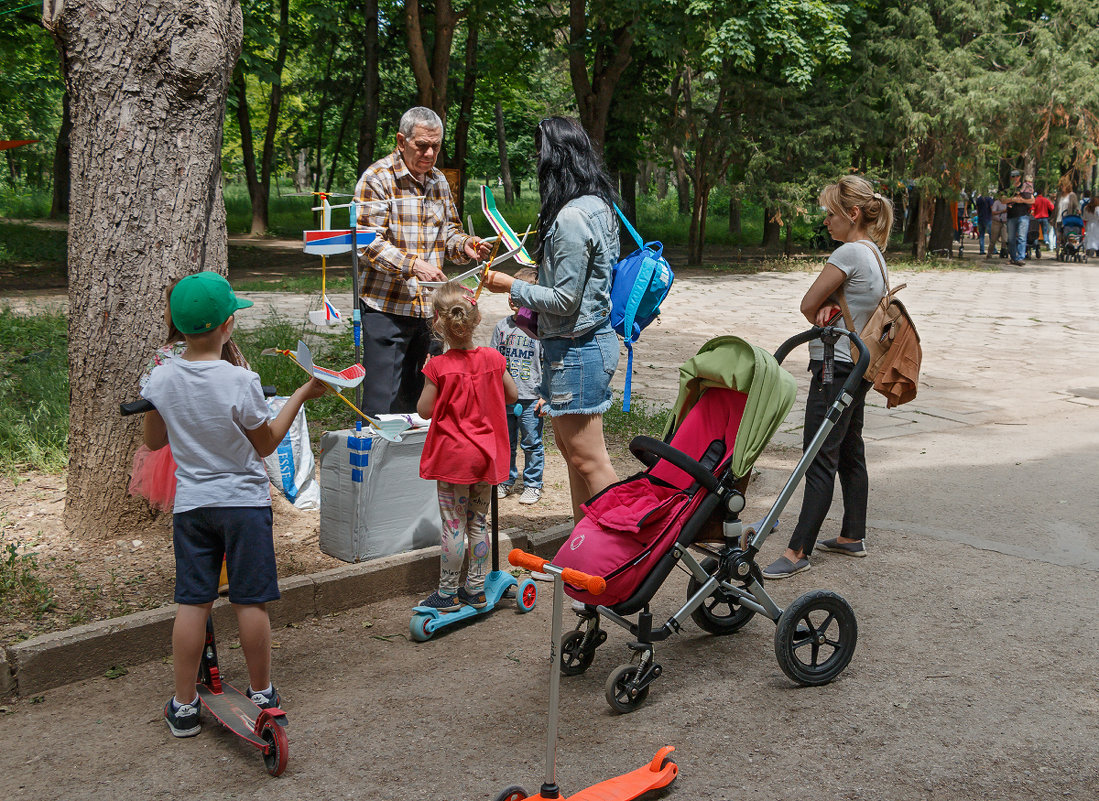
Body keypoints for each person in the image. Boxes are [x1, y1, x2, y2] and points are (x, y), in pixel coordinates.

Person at [141, 272, 327, 737]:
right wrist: (303, 393)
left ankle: (184, 705)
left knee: (192, 601)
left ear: (178, 326)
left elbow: (153, 439)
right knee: (250, 599)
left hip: (192, 506)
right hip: (243, 504)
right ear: (228, 325)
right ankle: (262, 692)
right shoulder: (241, 380)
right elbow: (266, 445)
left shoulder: (160, 378)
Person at [482, 116, 621, 523]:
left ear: (557, 157)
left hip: (578, 350)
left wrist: (511, 285)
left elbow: (563, 299)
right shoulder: (597, 205)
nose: (536, 160)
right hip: (577, 347)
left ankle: (626, 551)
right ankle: (586, 544)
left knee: (590, 460)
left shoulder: (574, 217)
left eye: (540, 150)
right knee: (574, 455)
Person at [762, 176, 892, 579]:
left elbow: (807, 304)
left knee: (819, 455)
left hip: (833, 368)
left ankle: (798, 549)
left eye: (831, 214)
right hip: (858, 366)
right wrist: (832, 303)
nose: (826, 222)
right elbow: (835, 304)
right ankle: (853, 534)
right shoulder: (874, 252)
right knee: (850, 448)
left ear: (852, 214)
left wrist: (825, 304)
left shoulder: (849, 253)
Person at [353, 106, 491, 415]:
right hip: (386, 308)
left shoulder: (439, 181)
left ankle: (413, 463)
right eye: (421, 145)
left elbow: (449, 234)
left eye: (436, 146)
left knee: (421, 403)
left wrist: (467, 245)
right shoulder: (376, 179)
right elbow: (365, 242)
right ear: (401, 141)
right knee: (381, 403)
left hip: (430, 310)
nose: (429, 153)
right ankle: (374, 461)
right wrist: (413, 264)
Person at [416, 282, 517, 610]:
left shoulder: (437, 367)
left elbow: (424, 410)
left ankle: (447, 594)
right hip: (484, 458)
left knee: (454, 524)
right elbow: (512, 396)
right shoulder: (492, 358)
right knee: (477, 523)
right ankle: (474, 589)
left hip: (453, 460)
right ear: (476, 318)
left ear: (438, 322)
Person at [130, 279, 248, 513]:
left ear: (176, 316)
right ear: (226, 324)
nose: (164, 312)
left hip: (182, 447)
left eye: (166, 306)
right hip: (229, 443)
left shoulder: (165, 355)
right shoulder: (229, 350)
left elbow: (152, 402)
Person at [491, 266, 546, 505]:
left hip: (532, 398)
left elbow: (550, 364)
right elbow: (493, 363)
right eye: (510, 293)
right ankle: (506, 480)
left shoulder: (541, 329)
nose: (512, 298)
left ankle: (533, 484)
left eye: (519, 294)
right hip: (505, 399)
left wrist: (546, 396)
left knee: (531, 442)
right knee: (506, 442)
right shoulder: (502, 327)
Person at [1003, 169, 1034, 266]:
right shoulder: (1008, 188)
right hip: (1011, 216)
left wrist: (1022, 201)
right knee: (1011, 239)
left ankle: (1020, 258)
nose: (1015, 178)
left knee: (1021, 237)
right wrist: (1013, 199)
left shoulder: (1026, 186)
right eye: (1013, 176)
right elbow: (1002, 200)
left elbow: (1033, 201)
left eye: (1016, 176)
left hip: (1023, 216)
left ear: (1019, 177)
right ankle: (1013, 258)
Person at [1054, 175, 1081, 252]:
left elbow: (1076, 205)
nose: (1062, 187)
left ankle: (1067, 248)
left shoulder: (1072, 195)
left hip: (1067, 219)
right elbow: (1056, 207)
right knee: (1058, 235)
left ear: (1067, 186)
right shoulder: (1059, 195)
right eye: (1061, 185)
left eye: (1063, 185)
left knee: (1066, 235)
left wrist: (1078, 210)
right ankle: (1058, 249)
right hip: (1058, 218)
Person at [1031, 187, 1054, 257]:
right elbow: (1052, 207)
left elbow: (1032, 209)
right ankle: (1046, 241)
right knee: (1045, 231)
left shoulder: (1035, 200)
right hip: (1045, 217)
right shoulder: (1046, 200)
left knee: (1036, 232)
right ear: (1042, 193)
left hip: (1037, 218)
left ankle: (1035, 245)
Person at [974, 189, 994, 255]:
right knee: (991, 235)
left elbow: (977, 209)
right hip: (988, 218)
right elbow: (992, 208)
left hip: (980, 218)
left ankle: (982, 250)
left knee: (981, 235)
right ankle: (993, 249)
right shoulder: (989, 199)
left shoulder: (978, 199)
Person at [989, 194, 1008, 258]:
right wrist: (1003, 211)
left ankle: (1003, 251)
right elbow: (993, 212)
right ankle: (989, 253)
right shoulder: (996, 203)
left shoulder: (1007, 203)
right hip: (996, 222)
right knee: (993, 239)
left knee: (1005, 239)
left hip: (1004, 222)